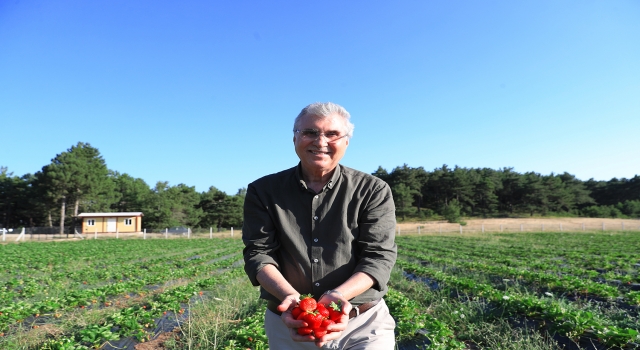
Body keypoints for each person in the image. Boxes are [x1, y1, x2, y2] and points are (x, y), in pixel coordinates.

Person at [242, 102, 397, 349]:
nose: (320, 141)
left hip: (363, 324)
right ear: (294, 138)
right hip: (290, 323)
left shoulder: (372, 190)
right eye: (310, 132)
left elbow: (378, 256)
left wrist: (338, 296)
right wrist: (290, 297)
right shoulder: (263, 191)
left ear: (346, 142)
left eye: (332, 134)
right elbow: (258, 253)